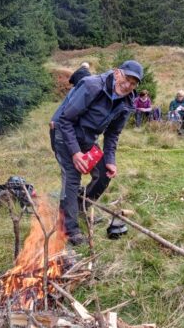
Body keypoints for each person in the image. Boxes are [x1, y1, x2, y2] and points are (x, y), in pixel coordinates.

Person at [51, 60, 143, 246]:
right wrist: (75, 153)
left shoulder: (127, 103)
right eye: (126, 79)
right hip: (63, 133)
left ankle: (80, 207)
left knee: (103, 175)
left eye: (133, 83)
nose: (128, 85)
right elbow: (65, 120)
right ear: (117, 73)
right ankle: (69, 228)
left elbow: (113, 134)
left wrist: (110, 160)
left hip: (87, 139)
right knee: (72, 178)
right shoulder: (91, 86)